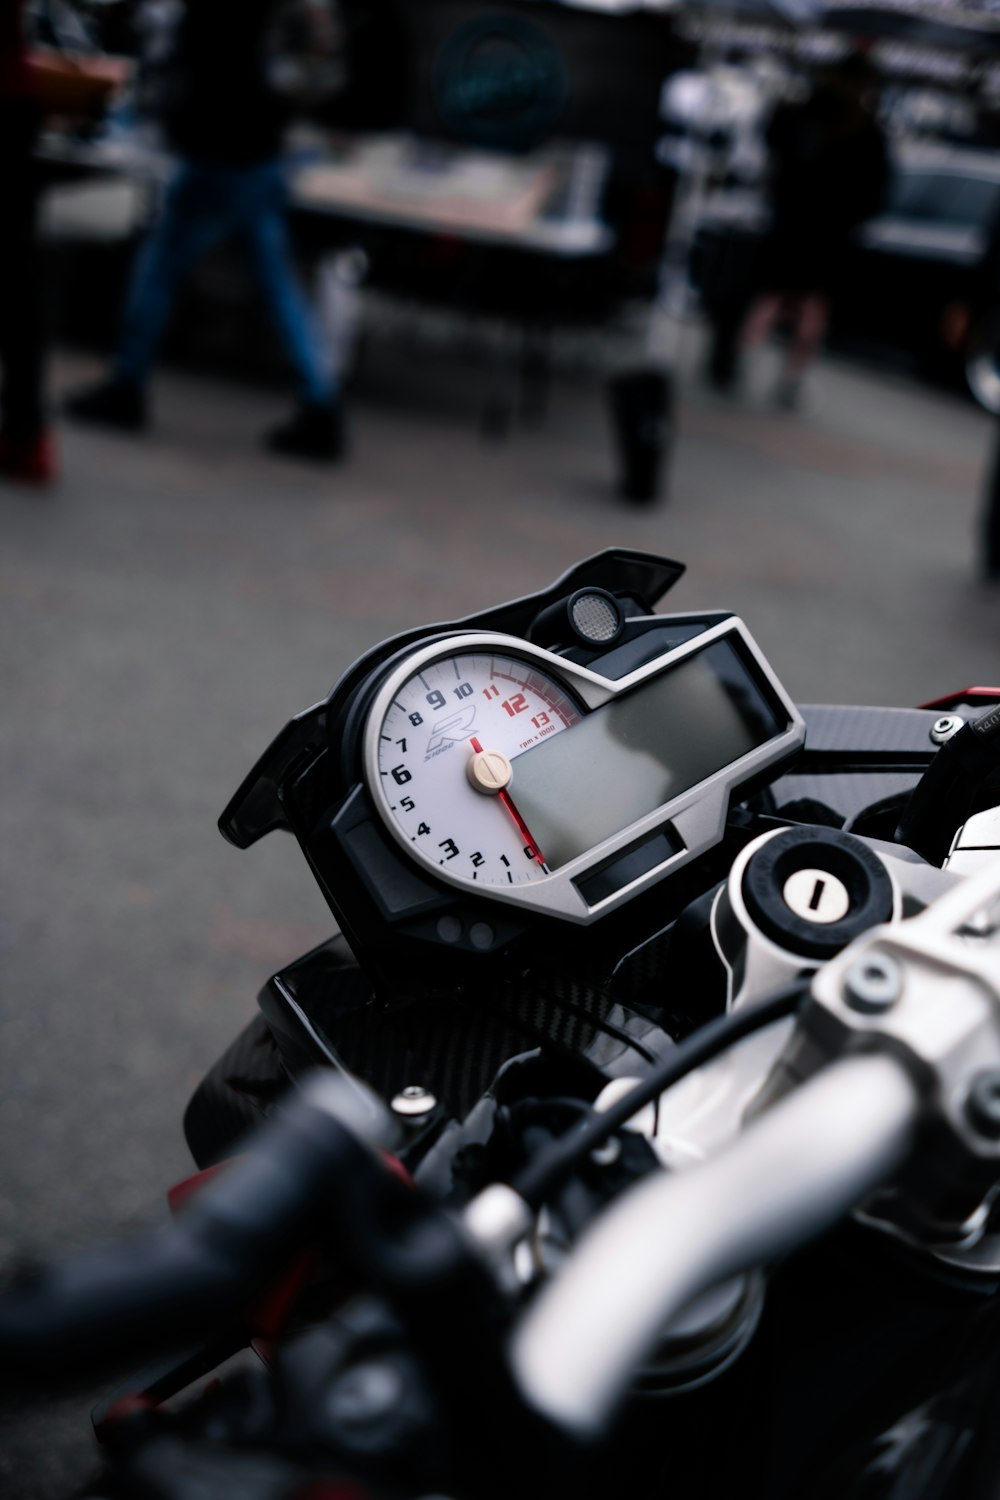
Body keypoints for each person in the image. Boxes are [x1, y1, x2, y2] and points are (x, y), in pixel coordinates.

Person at [65, 0, 344, 462]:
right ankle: (320, 401)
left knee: (160, 270)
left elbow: (194, 64)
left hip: (219, 153)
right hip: (256, 152)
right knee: (277, 284)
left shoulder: (218, 14)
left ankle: (127, 384)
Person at [741, 53, 889, 410]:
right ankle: (785, 377)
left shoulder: (807, 115)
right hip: (828, 232)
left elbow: (774, 151)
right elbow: (875, 190)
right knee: (807, 306)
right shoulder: (861, 130)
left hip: (795, 224)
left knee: (774, 299)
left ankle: (749, 367)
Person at [0, 0, 55, 484]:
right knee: (18, 279)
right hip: (13, 100)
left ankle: (25, 432)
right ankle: (25, 432)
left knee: (18, 279)